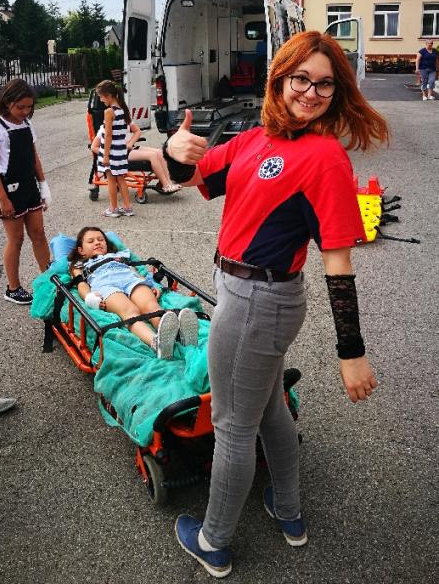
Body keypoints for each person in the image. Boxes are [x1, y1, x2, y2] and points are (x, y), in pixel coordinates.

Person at [162, 30, 389, 578]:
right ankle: (288, 512)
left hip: (258, 301)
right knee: (266, 411)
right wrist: (174, 149)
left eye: (325, 84)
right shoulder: (256, 138)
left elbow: (338, 260)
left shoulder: (325, 157)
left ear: (336, 93)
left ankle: (214, 541)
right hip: (245, 295)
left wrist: (351, 351)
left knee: (233, 426)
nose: (311, 92)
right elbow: (197, 176)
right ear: (280, 79)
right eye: (301, 79)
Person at [68, 226, 198, 359]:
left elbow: (135, 271)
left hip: (130, 280)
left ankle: (177, 335)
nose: (97, 242)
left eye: (101, 240)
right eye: (91, 241)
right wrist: (89, 297)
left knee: (151, 305)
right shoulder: (79, 265)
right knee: (130, 312)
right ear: (81, 250)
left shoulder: (120, 256)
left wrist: (151, 284)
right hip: (106, 286)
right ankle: (157, 343)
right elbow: (81, 284)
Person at [0, 79, 51, 305]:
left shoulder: (26, 124)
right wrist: (3, 199)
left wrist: (43, 185)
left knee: (39, 233)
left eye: (29, 107)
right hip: (9, 191)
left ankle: (50, 280)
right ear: (7, 102)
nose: (25, 111)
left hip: (29, 186)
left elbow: (34, 157)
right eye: (20, 107)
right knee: (16, 239)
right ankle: (13, 288)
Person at [91, 124, 181, 194]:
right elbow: (94, 147)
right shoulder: (105, 128)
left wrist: (130, 143)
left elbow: (137, 131)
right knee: (153, 155)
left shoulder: (126, 120)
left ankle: (169, 182)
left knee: (160, 152)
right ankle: (165, 185)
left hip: (130, 149)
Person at [94, 80, 136, 217]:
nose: (101, 100)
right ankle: (128, 208)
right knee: (121, 179)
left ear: (109, 95)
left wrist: (105, 156)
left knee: (111, 180)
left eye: (101, 97)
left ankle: (113, 209)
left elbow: (108, 136)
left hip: (112, 151)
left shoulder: (109, 112)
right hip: (121, 149)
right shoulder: (122, 110)